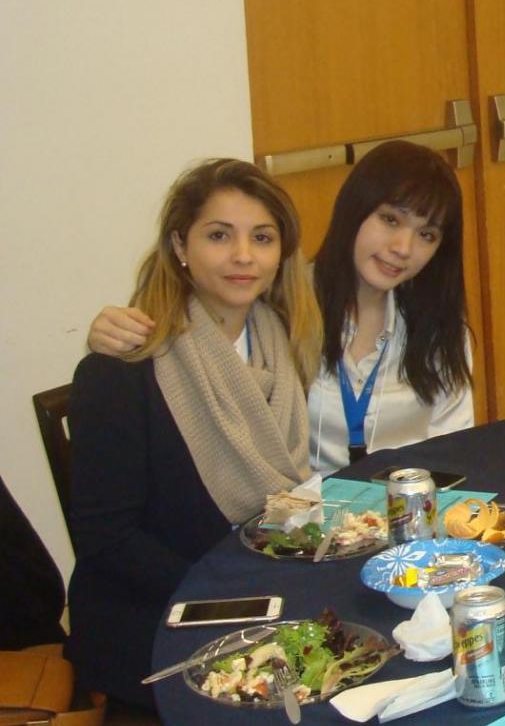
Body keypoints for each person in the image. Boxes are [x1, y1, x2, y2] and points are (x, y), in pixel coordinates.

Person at [67, 159, 318, 708]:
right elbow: (106, 541)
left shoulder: (281, 345)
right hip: (156, 622)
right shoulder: (121, 370)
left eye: (262, 238)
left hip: (256, 592)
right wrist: (232, 590)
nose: (243, 256)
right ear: (180, 245)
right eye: (218, 236)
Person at [87, 141, 475, 474]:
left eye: (426, 234)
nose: (403, 248)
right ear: (354, 210)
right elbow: (201, 374)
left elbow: (455, 454)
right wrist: (110, 332)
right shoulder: (276, 307)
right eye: (390, 219)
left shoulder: (439, 328)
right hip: (303, 526)